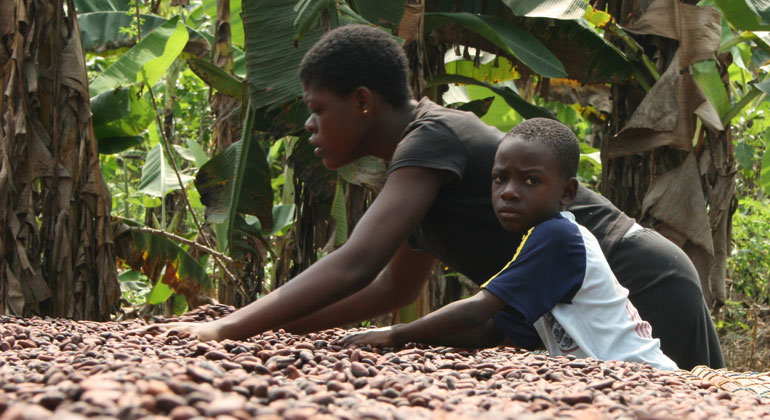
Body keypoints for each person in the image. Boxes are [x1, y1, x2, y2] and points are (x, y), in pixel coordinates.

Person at [148, 24, 723, 370]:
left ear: (365, 102)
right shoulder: (415, 168)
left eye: (318, 110)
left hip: (639, 276)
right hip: (580, 310)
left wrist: (228, 329)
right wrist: (275, 329)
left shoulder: (432, 140)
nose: (310, 126)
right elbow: (394, 287)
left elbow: (357, 263)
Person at [342, 119, 678, 371]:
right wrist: (415, 341)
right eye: (500, 178)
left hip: (649, 378)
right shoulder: (543, 240)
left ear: (567, 193)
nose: (509, 192)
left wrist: (397, 334)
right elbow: (489, 333)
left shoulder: (558, 237)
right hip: (622, 380)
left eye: (531, 181)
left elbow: (478, 309)